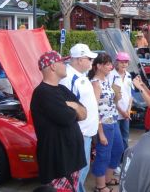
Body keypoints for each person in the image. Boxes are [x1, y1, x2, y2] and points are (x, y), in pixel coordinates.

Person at [31, 51, 87, 191]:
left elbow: (84, 113)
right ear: (53, 67)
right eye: (62, 62)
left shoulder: (62, 89)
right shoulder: (42, 92)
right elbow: (67, 118)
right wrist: (75, 108)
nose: (66, 65)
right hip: (58, 162)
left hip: (71, 159)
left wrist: (73, 106)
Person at [59, 43, 99, 192]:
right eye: (89, 58)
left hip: (85, 132)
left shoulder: (79, 75)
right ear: (79, 60)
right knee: (78, 172)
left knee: (82, 170)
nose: (91, 61)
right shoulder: (69, 78)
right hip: (80, 133)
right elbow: (66, 107)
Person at [88, 53, 124, 192]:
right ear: (98, 66)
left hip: (113, 120)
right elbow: (94, 108)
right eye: (107, 64)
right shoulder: (95, 84)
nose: (111, 66)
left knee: (118, 149)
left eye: (110, 63)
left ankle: (107, 179)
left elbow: (110, 103)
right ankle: (100, 185)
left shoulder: (107, 80)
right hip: (104, 124)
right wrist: (100, 132)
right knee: (104, 154)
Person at [108, 52, 133, 157]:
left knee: (125, 137)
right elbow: (111, 98)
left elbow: (130, 95)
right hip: (115, 113)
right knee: (116, 140)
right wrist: (122, 112)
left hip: (126, 113)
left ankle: (124, 160)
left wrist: (128, 111)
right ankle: (116, 162)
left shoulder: (128, 75)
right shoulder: (111, 75)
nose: (124, 64)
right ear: (116, 63)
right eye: (122, 62)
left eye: (126, 62)